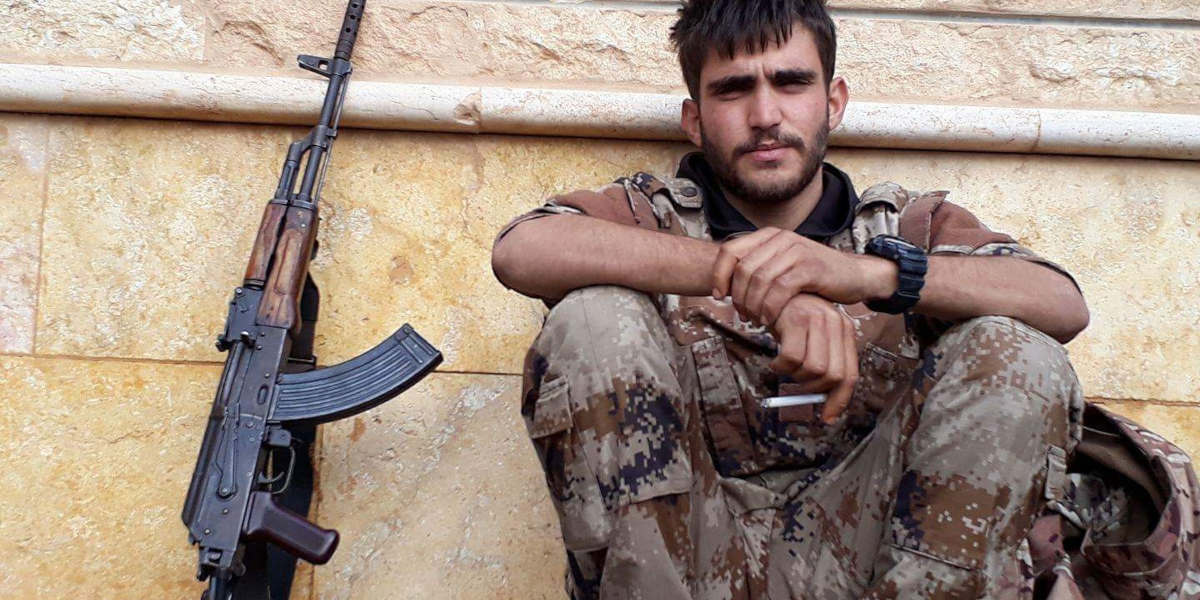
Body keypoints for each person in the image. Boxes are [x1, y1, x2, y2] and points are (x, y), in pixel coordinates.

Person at [490, 1, 1193, 598]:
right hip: (680, 556)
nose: (766, 114)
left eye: (790, 82)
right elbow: (522, 251)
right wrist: (745, 277)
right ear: (695, 120)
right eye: (734, 90)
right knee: (592, 318)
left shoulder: (907, 227)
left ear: (833, 101)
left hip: (878, 553)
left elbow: (1061, 303)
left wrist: (872, 277)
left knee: (1015, 350)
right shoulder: (647, 214)